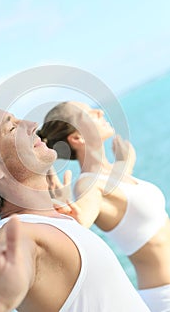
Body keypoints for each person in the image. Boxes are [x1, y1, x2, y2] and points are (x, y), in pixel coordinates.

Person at [0, 89, 150, 312]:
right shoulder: (19, 235)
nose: (31, 124)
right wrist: (3, 294)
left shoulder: (51, 219)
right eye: (11, 127)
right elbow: (19, 262)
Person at [38, 101, 170, 312]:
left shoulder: (112, 176)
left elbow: (121, 195)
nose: (100, 112)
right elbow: (82, 217)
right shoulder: (88, 184)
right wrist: (65, 215)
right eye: (90, 114)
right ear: (77, 138)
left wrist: (126, 163)